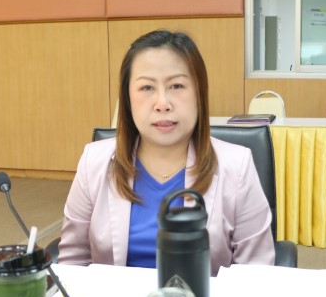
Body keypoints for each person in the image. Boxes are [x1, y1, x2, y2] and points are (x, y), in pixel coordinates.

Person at [58, 29, 276, 275]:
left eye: (177, 85)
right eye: (146, 87)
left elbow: (257, 273)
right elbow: (72, 264)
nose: (163, 103)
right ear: (127, 98)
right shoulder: (94, 162)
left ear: (199, 93)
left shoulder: (237, 165)